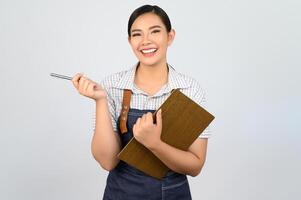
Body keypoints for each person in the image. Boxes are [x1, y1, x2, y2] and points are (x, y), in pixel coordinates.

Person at [72, 4, 211, 200]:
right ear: (130, 41)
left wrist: (155, 144)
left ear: (170, 36)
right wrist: (100, 100)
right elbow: (107, 162)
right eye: (137, 34)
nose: (146, 41)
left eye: (155, 31)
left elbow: (195, 166)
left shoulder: (189, 89)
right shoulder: (112, 86)